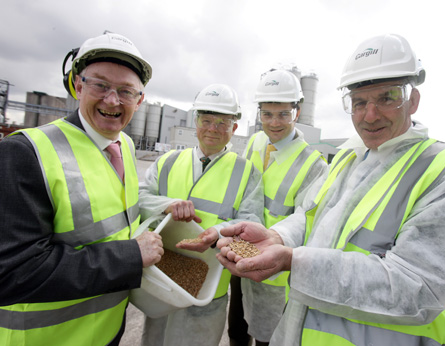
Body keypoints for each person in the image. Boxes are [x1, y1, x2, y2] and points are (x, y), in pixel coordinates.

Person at [216, 33, 445, 346]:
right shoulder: (350, 157)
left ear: (413, 100)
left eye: (387, 98)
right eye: (359, 102)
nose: (370, 115)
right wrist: (278, 237)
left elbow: (419, 289)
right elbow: (311, 219)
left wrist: (293, 261)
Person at [0, 32, 164, 345]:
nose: (112, 100)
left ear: (139, 100)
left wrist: (164, 207)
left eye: (126, 91)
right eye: (100, 85)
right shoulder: (26, 153)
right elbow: (14, 272)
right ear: (78, 85)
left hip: (107, 329)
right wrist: (130, 256)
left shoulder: (126, 146)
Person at [138, 83, 264, 346]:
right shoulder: (168, 161)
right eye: (207, 120)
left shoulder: (246, 171)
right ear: (195, 122)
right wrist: (167, 204)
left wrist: (217, 233)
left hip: (208, 285)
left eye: (223, 122)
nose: (213, 128)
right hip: (159, 277)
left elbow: (252, 221)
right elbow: (137, 198)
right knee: (154, 340)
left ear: (234, 128)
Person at [228, 69, 327, 346]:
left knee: (268, 338)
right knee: (236, 330)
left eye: (283, 114)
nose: (274, 122)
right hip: (240, 253)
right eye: (267, 114)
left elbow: (306, 219)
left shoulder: (313, 164)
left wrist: (274, 242)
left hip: (275, 273)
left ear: (297, 111)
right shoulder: (257, 142)